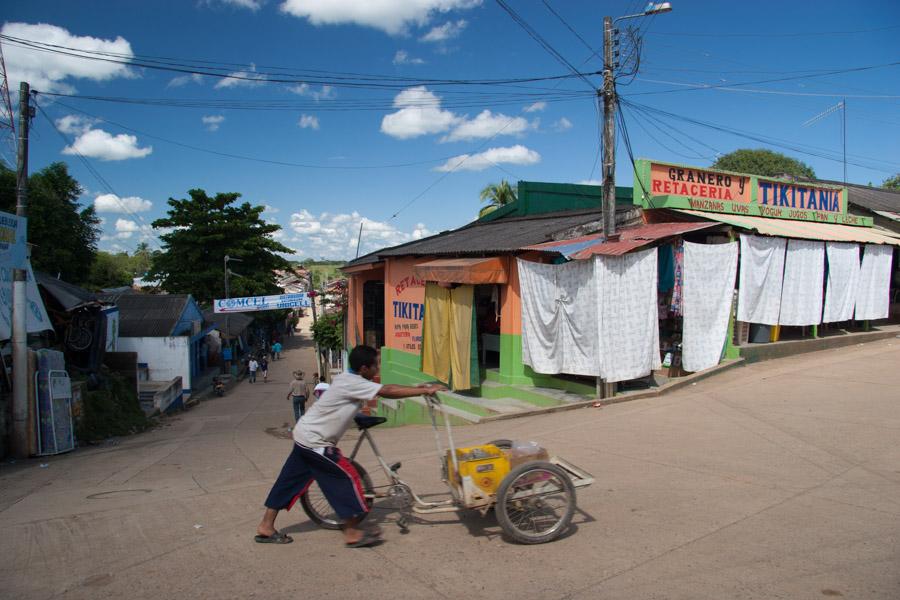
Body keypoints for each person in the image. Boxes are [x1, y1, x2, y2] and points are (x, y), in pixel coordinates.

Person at [255, 345, 447, 548]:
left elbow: (381, 390)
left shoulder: (348, 379)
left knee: (289, 481)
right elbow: (388, 390)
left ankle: (266, 526)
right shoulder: (354, 382)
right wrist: (424, 391)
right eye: (376, 366)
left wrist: (419, 387)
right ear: (364, 368)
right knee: (347, 476)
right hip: (315, 441)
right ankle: (352, 533)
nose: (378, 369)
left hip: (304, 435)